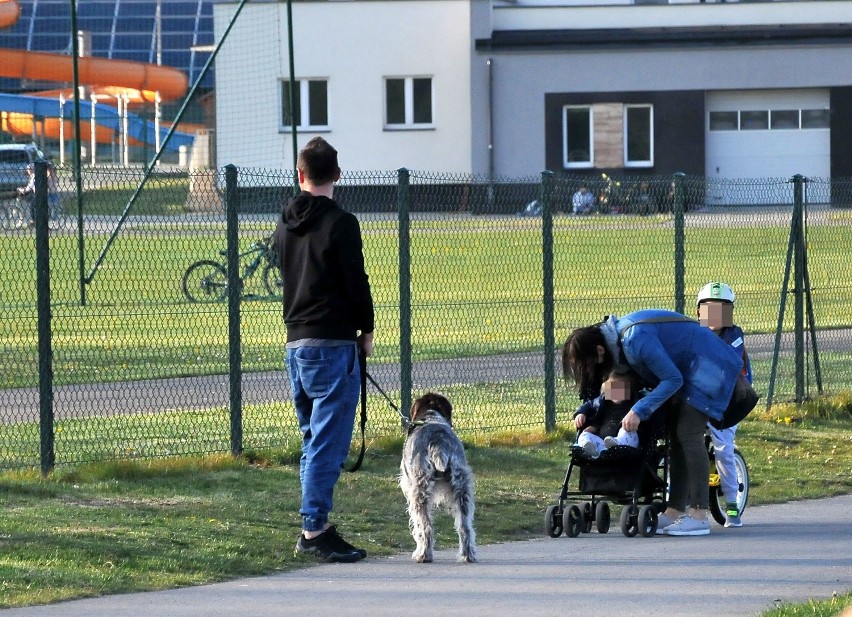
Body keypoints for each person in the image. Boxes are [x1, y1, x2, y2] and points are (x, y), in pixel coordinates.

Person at [271, 137, 375, 563]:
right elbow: (356, 281)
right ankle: (313, 529)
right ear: (337, 175)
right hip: (333, 343)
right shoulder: (341, 223)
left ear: (300, 174)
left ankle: (316, 524)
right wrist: (365, 329)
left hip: (296, 343)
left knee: (312, 438)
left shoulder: (282, 225)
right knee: (326, 444)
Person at [562, 308, 744, 537]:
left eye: (587, 365)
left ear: (599, 351)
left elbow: (672, 379)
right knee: (676, 437)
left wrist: (639, 410)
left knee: (688, 433)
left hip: (708, 366)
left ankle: (699, 515)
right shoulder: (620, 343)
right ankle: (674, 511)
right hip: (689, 368)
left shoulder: (634, 341)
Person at [696, 282, 752, 528]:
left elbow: (725, 364)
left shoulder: (734, 337)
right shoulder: (693, 333)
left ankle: (731, 506)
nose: (714, 314)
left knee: (723, 449)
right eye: (708, 308)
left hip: (728, 404)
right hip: (698, 400)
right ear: (698, 311)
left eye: (721, 309)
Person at [573, 367, 641, 459]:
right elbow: (588, 405)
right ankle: (588, 447)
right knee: (585, 434)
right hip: (602, 443)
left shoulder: (634, 404)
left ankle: (617, 444)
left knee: (626, 431)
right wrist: (581, 414)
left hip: (626, 443)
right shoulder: (602, 401)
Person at [18, 160, 60, 226]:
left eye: (29, 169)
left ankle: (34, 220)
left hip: (43, 194)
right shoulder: (47, 176)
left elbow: (30, 187)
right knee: (51, 208)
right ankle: (47, 220)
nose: (28, 171)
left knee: (33, 205)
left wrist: (23, 190)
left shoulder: (36, 176)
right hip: (47, 193)